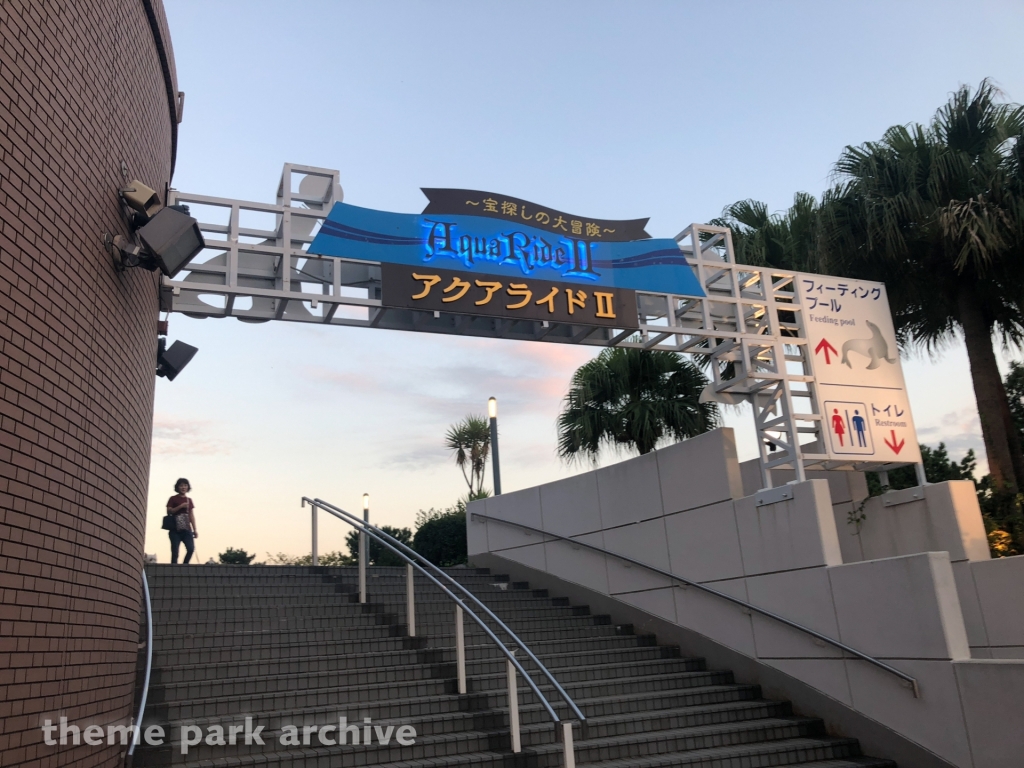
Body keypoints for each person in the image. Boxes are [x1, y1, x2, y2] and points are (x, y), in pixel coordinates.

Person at [167, 478, 198, 564]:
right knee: (175, 552)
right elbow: (169, 511)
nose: (183, 487)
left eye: (185, 485)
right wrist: (180, 506)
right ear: (178, 487)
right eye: (181, 485)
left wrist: (195, 530)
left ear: (188, 487)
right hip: (174, 529)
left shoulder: (189, 500)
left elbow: (191, 515)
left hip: (187, 529)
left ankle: (184, 565)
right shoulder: (173, 498)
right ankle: (173, 569)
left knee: (191, 549)